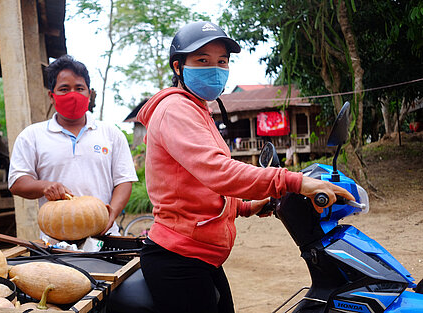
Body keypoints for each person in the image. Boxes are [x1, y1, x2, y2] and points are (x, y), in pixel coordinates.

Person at [136, 21, 354, 313]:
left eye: (222, 61)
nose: (215, 68)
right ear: (178, 67)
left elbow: (194, 183)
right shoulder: (175, 109)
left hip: (200, 257)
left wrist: (246, 206)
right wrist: (294, 181)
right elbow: (217, 171)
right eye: (202, 60)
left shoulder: (198, 109)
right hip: (179, 258)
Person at [8, 55, 138, 244]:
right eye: (64, 89)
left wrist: (111, 214)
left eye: (79, 88)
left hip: (106, 238)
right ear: (51, 96)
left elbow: (124, 180)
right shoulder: (32, 136)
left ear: (89, 93)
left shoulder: (111, 133)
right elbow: (17, 182)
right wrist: (45, 186)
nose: (73, 94)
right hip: (57, 243)